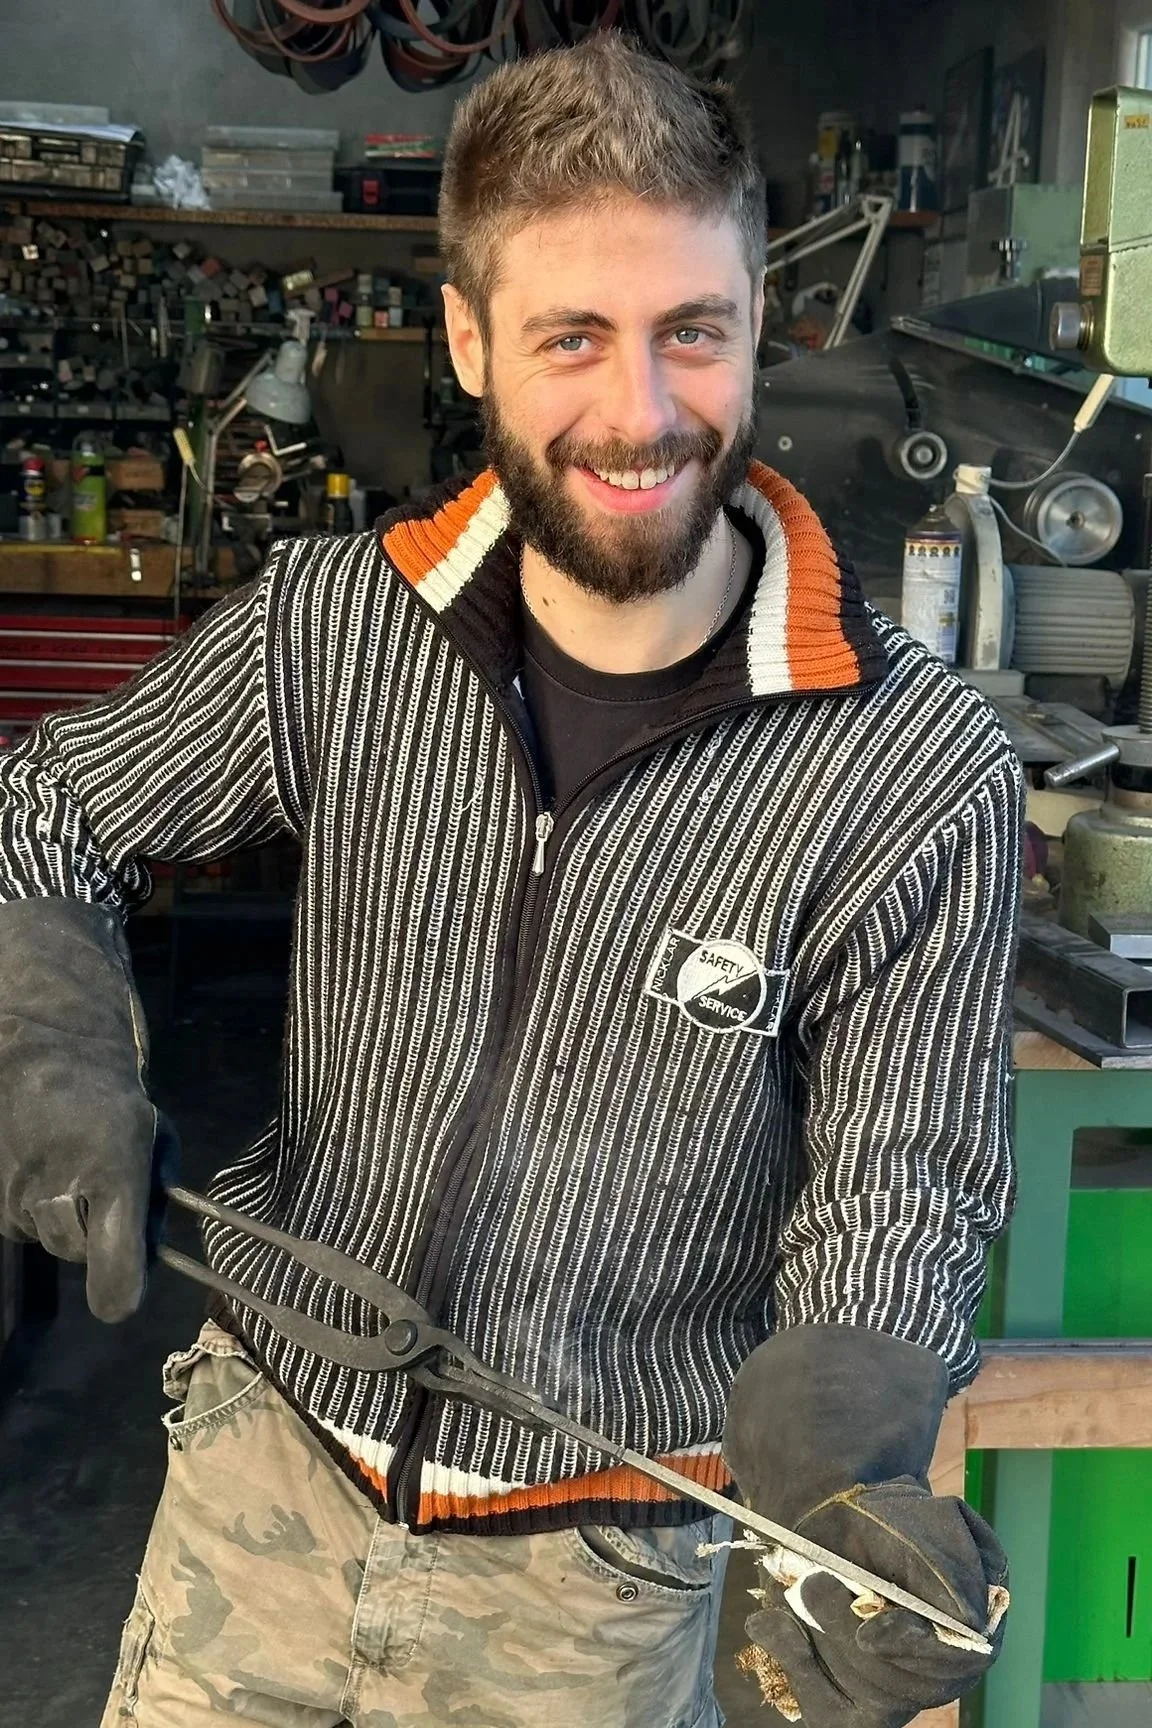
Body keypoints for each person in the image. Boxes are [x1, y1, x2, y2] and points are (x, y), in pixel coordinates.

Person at [0, 35, 1022, 1728]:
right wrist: (51, 1051)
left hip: (597, 1586)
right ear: (469, 339)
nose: (642, 414)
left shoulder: (914, 773)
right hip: (259, 1484)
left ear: (758, 320)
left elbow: (899, 1186)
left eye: (693, 330)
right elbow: (44, 807)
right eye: (573, 338)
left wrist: (841, 1474)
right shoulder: (332, 628)